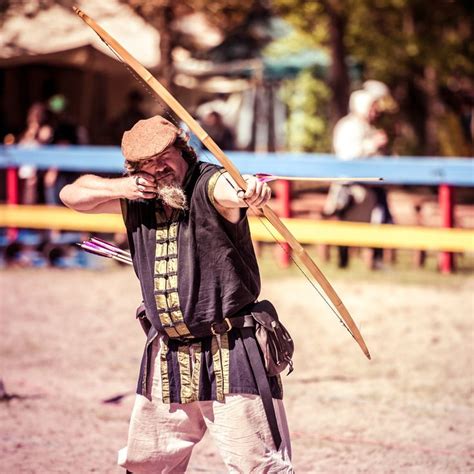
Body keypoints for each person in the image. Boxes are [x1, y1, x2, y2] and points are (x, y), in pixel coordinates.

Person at [59, 115, 293, 473]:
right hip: (168, 353)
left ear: (183, 151)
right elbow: (71, 195)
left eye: (164, 157)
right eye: (147, 164)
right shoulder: (136, 197)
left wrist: (250, 191)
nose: (158, 169)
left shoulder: (207, 183)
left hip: (230, 350)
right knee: (148, 464)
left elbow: (232, 190)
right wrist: (124, 188)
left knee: (257, 465)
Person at [324, 89, 393, 268]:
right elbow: (346, 155)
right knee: (345, 226)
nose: (375, 111)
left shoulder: (368, 127)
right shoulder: (348, 126)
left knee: (379, 221)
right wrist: (372, 145)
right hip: (350, 186)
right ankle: (344, 262)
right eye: (372, 107)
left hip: (369, 186)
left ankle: (374, 261)